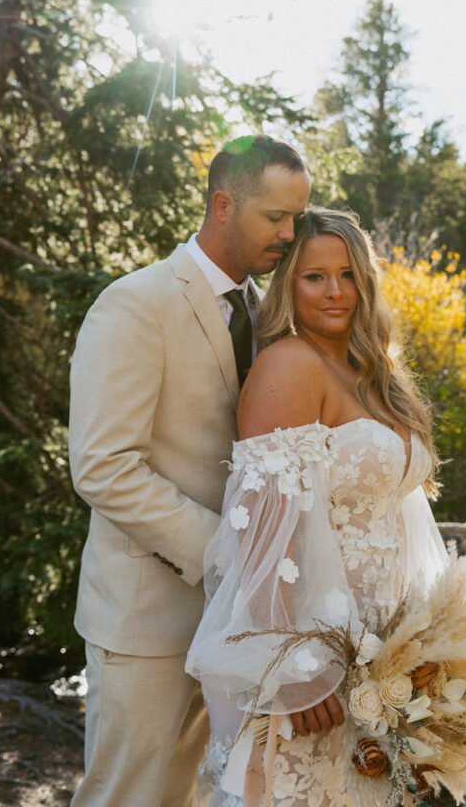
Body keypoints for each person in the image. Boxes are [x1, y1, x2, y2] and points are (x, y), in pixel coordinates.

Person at [68, 135, 311, 807]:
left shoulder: (267, 315)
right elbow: (102, 466)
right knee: (127, 796)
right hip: (146, 617)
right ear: (222, 205)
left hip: (237, 625)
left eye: (297, 218)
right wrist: (227, 553)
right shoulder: (135, 303)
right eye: (275, 218)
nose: (290, 235)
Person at [186, 208, 449, 807]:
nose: (335, 291)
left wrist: (426, 643)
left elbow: (402, 515)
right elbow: (259, 531)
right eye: (314, 277)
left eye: (348, 274)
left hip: (377, 655)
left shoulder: (373, 372)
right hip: (310, 653)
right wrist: (292, 669)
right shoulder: (290, 364)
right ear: (287, 285)